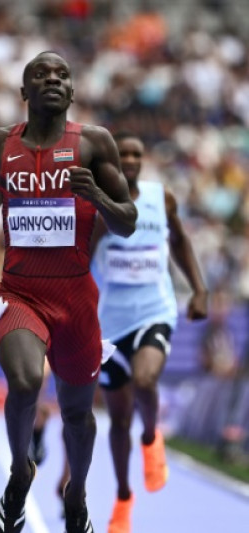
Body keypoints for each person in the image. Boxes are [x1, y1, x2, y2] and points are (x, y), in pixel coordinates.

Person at [0, 51, 138, 533]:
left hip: (76, 300)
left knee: (78, 414)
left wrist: (95, 196)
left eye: (62, 76)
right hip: (21, 292)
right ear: (24, 92)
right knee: (24, 383)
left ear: (72, 92)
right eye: (41, 74)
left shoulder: (94, 144)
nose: (53, 80)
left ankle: (75, 494)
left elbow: (128, 223)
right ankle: (20, 472)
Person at [90, 132, 207, 533]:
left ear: (144, 159)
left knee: (146, 379)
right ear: (111, 161)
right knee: (118, 419)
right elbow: (82, 262)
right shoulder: (99, 208)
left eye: (136, 153)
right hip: (110, 324)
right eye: (121, 154)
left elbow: (179, 241)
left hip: (155, 310)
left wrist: (199, 289)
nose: (129, 159)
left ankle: (153, 436)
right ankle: (123, 497)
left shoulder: (162, 198)